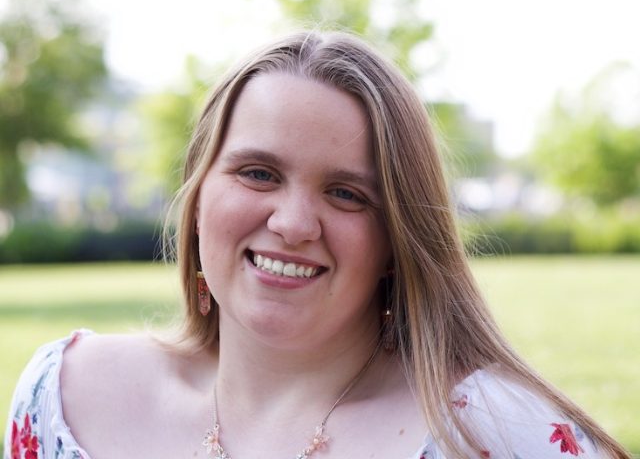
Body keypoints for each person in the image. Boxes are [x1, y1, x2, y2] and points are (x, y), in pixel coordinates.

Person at [5, 30, 631, 459]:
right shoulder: (61, 399)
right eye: (258, 174)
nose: (294, 222)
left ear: (398, 240)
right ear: (198, 200)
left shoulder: (494, 434)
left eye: (347, 194)